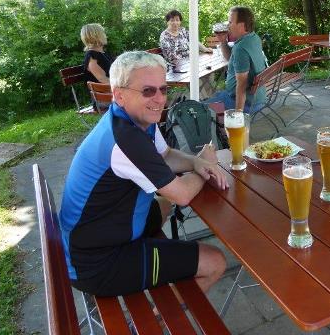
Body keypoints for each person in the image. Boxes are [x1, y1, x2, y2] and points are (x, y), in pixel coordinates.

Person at [59, 51, 228, 297]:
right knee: (215, 261)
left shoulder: (136, 119)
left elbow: (165, 155)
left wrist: (196, 161)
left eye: (163, 89)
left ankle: (160, 262)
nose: (159, 99)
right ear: (119, 95)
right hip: (99, 263)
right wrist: (206, 167)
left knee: (163, 204)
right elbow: (182, 195)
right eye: (148, 91)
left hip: (102, 231)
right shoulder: (126, 140)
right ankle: (165, 315)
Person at [206, 6, 267, 112]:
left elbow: (241, 86)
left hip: (245, 103)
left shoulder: (240, 48)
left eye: (230, 22)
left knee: (197, 109)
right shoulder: (254, 38)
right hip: (258, 98)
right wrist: (223, 41)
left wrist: (238, 115)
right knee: (215, 96)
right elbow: (230, 58)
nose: (227, 26)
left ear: (242, 25)